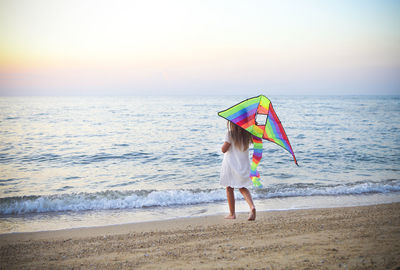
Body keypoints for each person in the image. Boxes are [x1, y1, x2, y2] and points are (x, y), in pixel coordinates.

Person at [220, 121, 256, 221]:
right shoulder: (247, 135)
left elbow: (224, 149)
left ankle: (232, 214)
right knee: (242, 187)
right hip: (243, 164)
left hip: (231, 164)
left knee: (229, 187)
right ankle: (252, 207)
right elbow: (254, 140)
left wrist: (222, 146)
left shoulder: (230, 134)